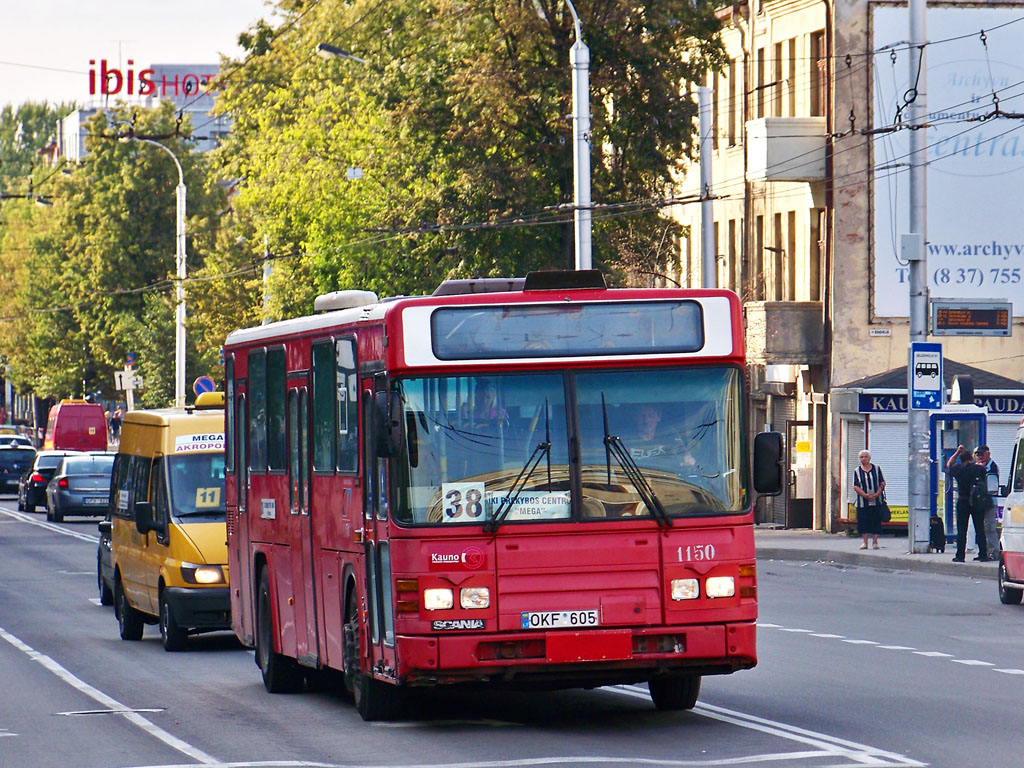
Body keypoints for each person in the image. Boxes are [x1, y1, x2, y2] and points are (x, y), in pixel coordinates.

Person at [945, 444, 989, 562]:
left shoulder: (958, 469)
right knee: (980, 528)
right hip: (976, 501)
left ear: (962, 459)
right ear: (971, 458)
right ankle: (983, 554)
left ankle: (960, 556)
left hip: (963, 501)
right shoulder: (979, 469)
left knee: (961, 529)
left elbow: (949, 464)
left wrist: (957, 452)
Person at [852, 449, 886, 550]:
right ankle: (864, 542)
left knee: (875, 520)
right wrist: (865, 495)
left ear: (869, 458)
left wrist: (876, 494)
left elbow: (882, 483)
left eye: (865, 456)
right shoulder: (857, 471)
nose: (864, 459)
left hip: (876, 500)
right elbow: (855, 486)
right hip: (862, 502)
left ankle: (875, 542)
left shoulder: (877, 468)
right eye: (861, 457)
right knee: (863, 521)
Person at [975, 445, 1000, 561]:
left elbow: (990, 480)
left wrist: (981, 469)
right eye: (977, 455)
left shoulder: (992, 467)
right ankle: (984, 551)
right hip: (979, 501)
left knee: (990, 527)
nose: (980, 457)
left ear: (988, 454)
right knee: (981, 528)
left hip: (990, 500)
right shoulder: (977, 467)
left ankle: (994, 552)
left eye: (981, 454)